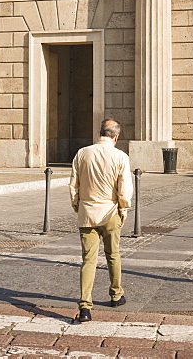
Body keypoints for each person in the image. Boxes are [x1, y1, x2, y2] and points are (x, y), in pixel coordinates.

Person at [69, 118, 133, 323]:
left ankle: (85, 307)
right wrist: (123, 209)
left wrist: (78, 206)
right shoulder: (120, 156)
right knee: (113, 254)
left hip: (87, 212)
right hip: (110, 211)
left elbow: (73, 186)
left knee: (88, 259)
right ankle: (116, 295)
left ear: (100, 133)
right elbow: (124, 190)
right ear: (116, 136)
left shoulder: (82, 153)